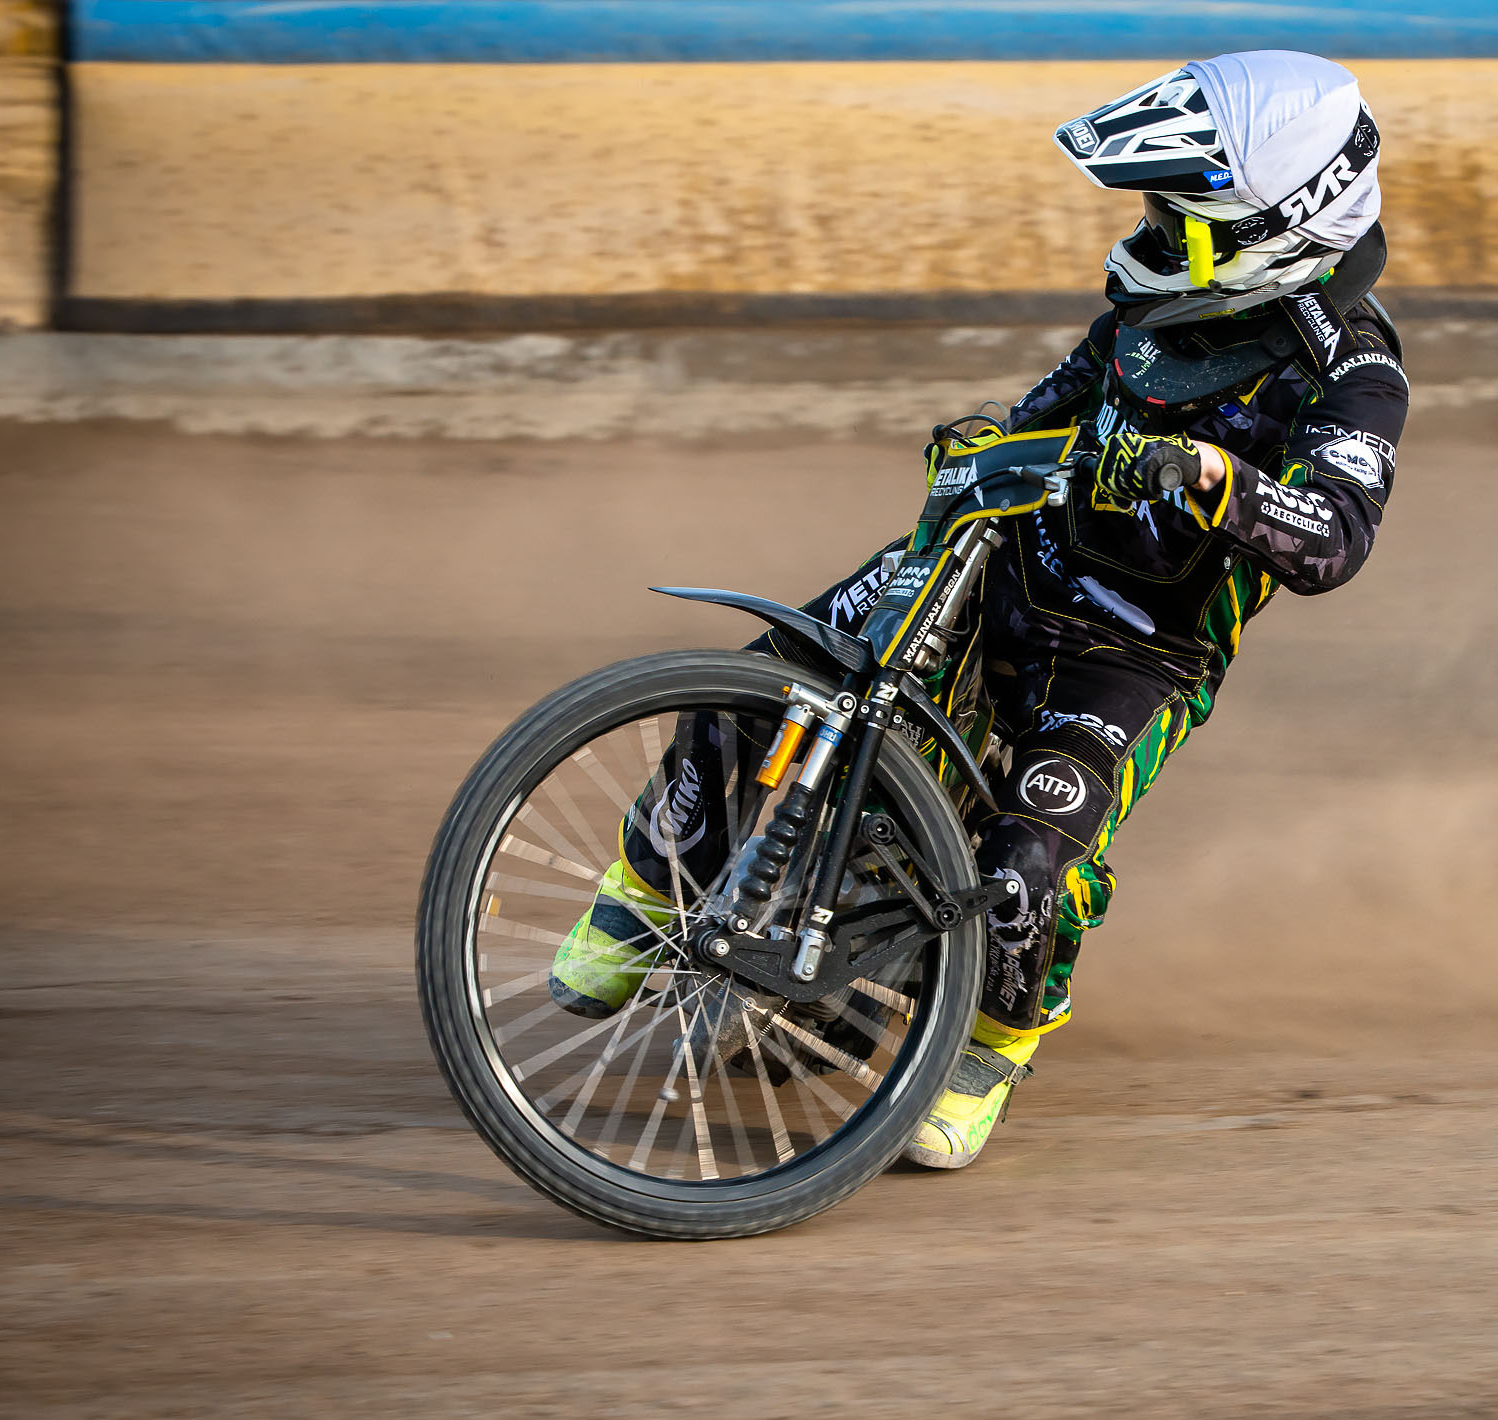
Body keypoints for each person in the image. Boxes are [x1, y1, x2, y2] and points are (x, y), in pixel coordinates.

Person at [544, 51, 1410, 1168]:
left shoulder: (1357, 371)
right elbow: (1046, 408)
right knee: (762, 683)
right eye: (1153, 211)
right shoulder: (1144, 317)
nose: (1150, 236)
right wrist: (983, 437)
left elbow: (1334, 538)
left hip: (1138, 653)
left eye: (1177, 221)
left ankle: (994, 1040)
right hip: (999, 561)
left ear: (1277, 228)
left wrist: (1211, 478)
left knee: (1022, 872)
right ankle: (644, 888)